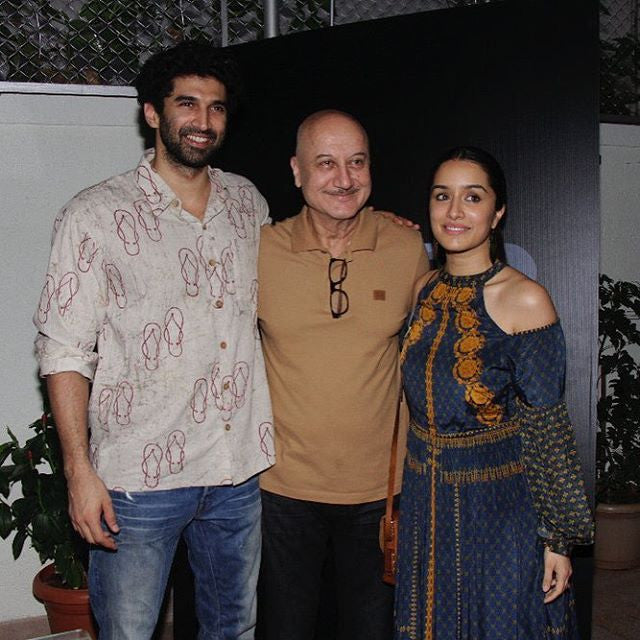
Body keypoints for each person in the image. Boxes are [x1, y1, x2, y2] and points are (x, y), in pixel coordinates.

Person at [33, 41, 273, 640]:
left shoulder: (249, 204)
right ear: (151, 113)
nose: (203, 121)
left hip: (236, 470)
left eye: (216, 108)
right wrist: (78, 472)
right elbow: (64, 351)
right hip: (138, 480)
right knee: (128, 633)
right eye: (187, 104)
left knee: (233, 630)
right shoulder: (93, 216)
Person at [394, 146, 594, 639]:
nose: (455, 212)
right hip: (426, 500)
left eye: (473, 197)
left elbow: (547, 425)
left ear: (497, 211)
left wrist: (557, 540)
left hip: (501, 507)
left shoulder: (525, 298)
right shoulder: (424, 290)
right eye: (443, 197)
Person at [257, 110, 429, 640]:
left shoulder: (406, 248)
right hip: (282, 489)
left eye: (357, 162)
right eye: (326, 163)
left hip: (381, 492)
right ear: (296, 171)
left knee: (373, 631)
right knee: (284, 629)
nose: (344, 178)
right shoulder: (259, 251)